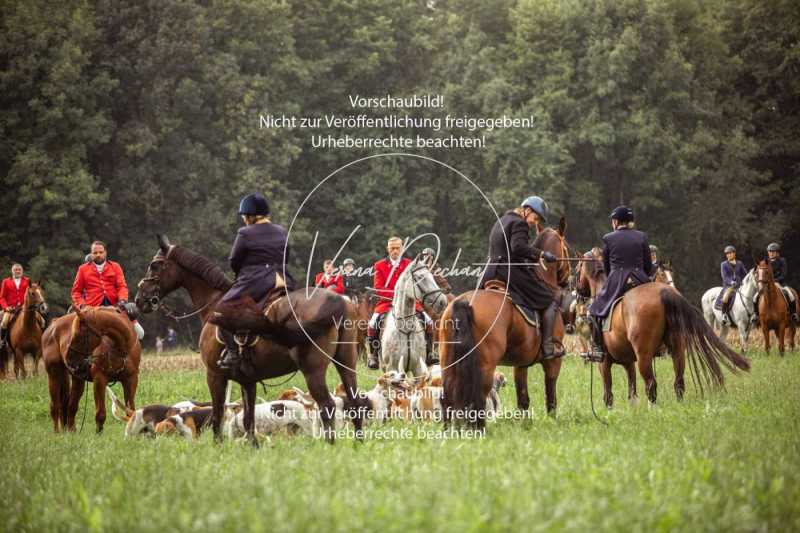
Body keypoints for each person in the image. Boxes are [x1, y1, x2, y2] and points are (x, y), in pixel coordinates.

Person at [216, 193, 296, 369]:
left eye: (244, 216)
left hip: (257, 281)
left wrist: (241, 276)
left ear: (250, 216)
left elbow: (234, 260)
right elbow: (286, 257)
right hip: (283, 280)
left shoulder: (245, 233)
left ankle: (233, 354)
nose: (244, 219)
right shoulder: (282, 231)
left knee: (220, 312)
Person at [480, 196, 563, 359]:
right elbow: (517, 247)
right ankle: (547, 348)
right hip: (510, 272)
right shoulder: (520, 223)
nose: (534, 222)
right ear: (527, 210)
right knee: (549, 300)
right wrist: (542, 254)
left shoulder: (502, 220)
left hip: (489, 272)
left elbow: (507, 249)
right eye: (535, 218)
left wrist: (533, 257)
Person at [586, 206, 654, 362]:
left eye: (612, 220)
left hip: (617, 281)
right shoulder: (642, 236)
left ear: (616, 222)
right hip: (640, 279)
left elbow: (607, 268)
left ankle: (597, 348)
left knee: (593, 310)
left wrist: (614, 276)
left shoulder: (608, 238)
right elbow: (648, 266)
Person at [366, 236, 434, 369]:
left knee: (429, 321)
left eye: (397, 248)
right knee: (372, 323)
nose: (395, 251)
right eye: (392, 248)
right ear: (388, 249)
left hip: (409, 303)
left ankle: (430, 352)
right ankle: (373, 355)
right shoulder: (379, 265)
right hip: (386, 303)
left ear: (402, 248)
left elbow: (415, 283)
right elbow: (378, 288)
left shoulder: (410, 264)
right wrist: (396, 296)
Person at [71, 241, 144, 339]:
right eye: (95, 253)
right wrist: (82, 305)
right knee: (77, 336)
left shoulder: (115, 266)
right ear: (91, 254)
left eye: (101, 252)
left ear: (105, 252)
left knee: (140, 333)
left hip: (116, 307)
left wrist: (122, 300)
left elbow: (122, 286)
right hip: (92, 309)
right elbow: (76, 291)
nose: (98, 255)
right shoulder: (82, 269)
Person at [758, 242, 798, 322]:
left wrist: (775, 281)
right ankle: (756, 315)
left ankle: (793, 314)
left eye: (773, 251)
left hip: (780, 283)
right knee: (755, 297)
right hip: (767, 284)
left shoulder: (782, 260)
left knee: (790, 295)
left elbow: (784, 273)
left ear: (777, 252)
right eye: (770, 251)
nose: (771, 253)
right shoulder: (765, 262)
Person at [714, 245, 748, 326]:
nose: (728, 255)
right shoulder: (723, 264)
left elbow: (745, 274)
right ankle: (724, 314)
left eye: (730, 253)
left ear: (734, 254)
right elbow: (724, 277)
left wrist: (745, 281)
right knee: (726, 296)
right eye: (727, 254)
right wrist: (731, 282)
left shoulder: (739, 263)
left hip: (740, 286)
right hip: (729, 286)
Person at [0, 263, 29, 352]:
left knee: (42, 320)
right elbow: (2, 297)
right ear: (12, 271)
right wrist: (6, 307)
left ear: (22, 271)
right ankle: (2, 341)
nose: (17, 271)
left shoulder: (27, 280)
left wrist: (27, 304)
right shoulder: (6, 281)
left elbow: (30, 294)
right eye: (15, 270)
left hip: (24, 308)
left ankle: (42, 340)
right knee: (4, 322)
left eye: (19, 270)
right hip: (10, 309)